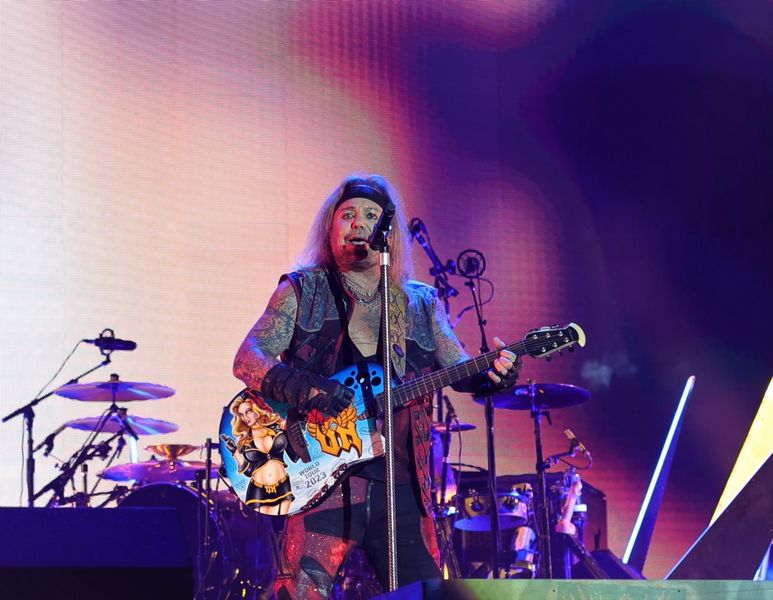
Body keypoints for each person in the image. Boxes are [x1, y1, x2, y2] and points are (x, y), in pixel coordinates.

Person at [233, 173, 522, 600]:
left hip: (401, 489)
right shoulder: (302, 289)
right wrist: (308, 390)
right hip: (322, 487)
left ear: (389, 232)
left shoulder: (419, 302)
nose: (359, 223)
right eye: (348, 214)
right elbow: (248, 358)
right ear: (330, 226)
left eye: (371, 215)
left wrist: (493, 374)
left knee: (427, 595)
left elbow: (459, 367)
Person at [221, 391, 295, 515]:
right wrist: (235, 452)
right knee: (263, 525)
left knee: (283, 523)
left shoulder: (276, 428)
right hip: (258, 490)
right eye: (241, 414)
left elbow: (296, 454)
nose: (245, 417)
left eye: (248, 411)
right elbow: (249, 471)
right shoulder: (245, 440)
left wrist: (288, 425)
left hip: (283, 485)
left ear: (257, 408)